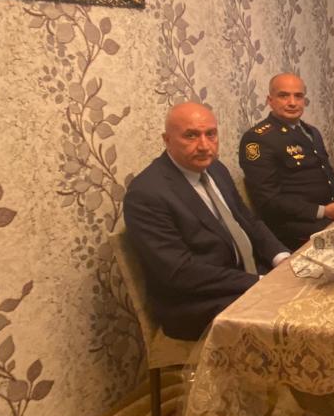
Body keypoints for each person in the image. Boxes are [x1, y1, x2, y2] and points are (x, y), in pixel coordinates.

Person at [123, 102, 289, 340]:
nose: (203, 146)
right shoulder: (146, 193)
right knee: (292, 321)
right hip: (197, 302)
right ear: (167, 140)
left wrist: (282, 258)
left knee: (311, 290)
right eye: (191, 136)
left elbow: (248, 220)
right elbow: (180, 272)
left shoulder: (216, 169)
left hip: (244, 277)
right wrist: (258, 282)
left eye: (210, 134)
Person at [239, 73, 334, 249]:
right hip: (296, 227)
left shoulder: (311, 132)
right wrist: (323, 211)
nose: (292, 102)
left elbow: (326, 171)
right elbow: (268, 199)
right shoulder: (257, 139)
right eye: (283, 96)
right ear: (270, 100)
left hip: (330, 214)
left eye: (298, 96)